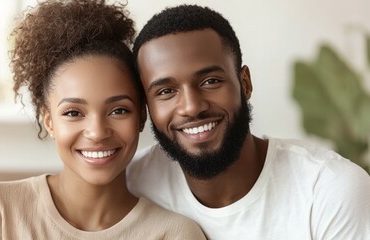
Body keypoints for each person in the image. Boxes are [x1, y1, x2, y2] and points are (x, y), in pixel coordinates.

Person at [0, 1, 207, 239]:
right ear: (48, 121)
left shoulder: (175, 234)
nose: (97, 132)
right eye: (73, 113)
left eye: (118, 110)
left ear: (141, 115)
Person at [127, 4, 370, 240]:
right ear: (147, 107)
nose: (191, 107)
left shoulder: (329, 190)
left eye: (210, 81)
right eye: (166, 91)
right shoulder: (133, 184)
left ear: (245, 83)